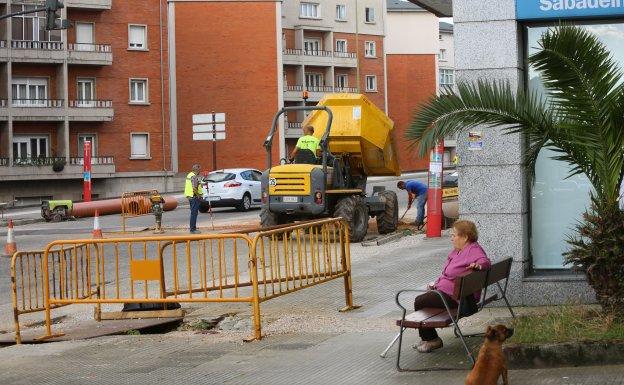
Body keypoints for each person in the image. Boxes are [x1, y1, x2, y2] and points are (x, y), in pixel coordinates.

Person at [412, 220, 491, 353]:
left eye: (454, 235)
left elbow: (485, 261)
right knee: (424, 300)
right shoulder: (459, 251)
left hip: (458, 299)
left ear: (465, 237)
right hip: (452, 294)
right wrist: (436, 284)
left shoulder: (473, 249)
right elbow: (448, 274)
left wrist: (479, 266)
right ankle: (428, 338)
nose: (451, 238)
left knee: (420, 301)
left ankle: (431, 339)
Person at [185, 163, 202, 234]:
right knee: (194, 213)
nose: (200, 171)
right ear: (197, 169)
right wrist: (198, 195)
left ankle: (193, 227)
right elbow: (194, 188)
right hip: (194, 197)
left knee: (193, 213)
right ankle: (193, 229)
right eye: (199, 169)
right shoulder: (194, 176)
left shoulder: (189, 175)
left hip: (190, 196)